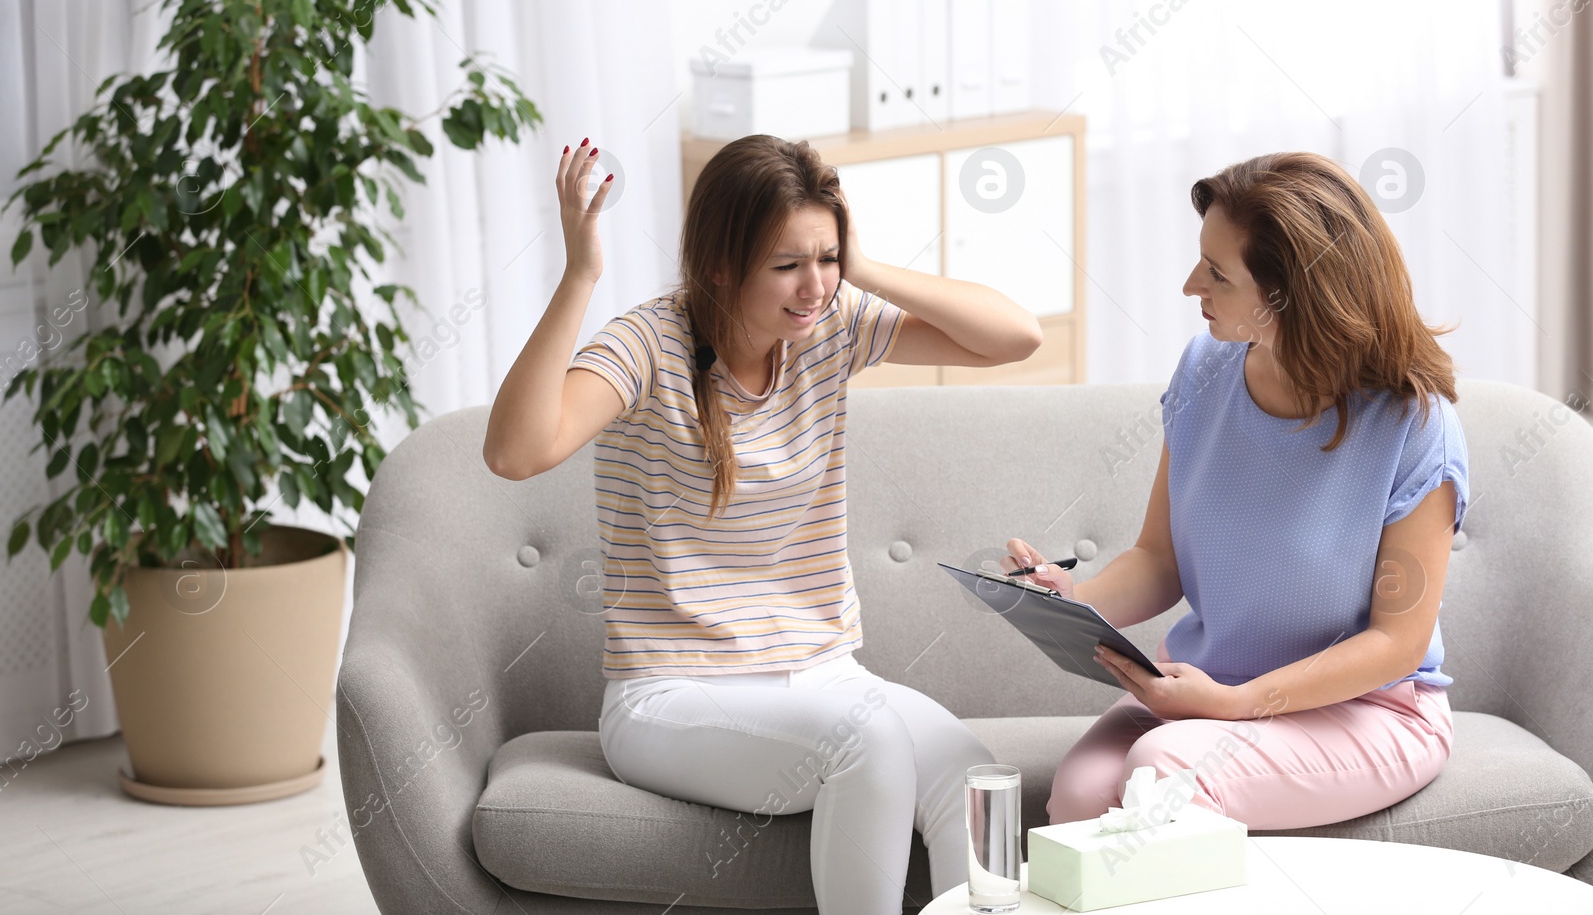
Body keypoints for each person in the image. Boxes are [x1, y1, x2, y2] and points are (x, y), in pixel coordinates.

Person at [484, 135, 1043, 912]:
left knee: (976, 779)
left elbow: (1016, 335)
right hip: (669, 693)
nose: (812, 286)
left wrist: (857, 264)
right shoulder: (651, 345)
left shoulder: (829, 325)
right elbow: (515, 451)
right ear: (720, 263)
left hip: (823, 671)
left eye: (825, 257)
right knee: (869, 741)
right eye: (787, 264)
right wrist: (581, 273)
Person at [1004, 151, 1468, 830]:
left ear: (1291, 296)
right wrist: (1070, 599)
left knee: (1160, 768)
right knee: (1079, 795)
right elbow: (1160, 560)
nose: (1193, 284)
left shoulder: (1414, 423)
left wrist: (1237, 702)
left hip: (1369, 706)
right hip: (1205, 691)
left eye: (1218, 273)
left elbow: (1397, 642)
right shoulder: (1204, 370)